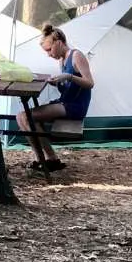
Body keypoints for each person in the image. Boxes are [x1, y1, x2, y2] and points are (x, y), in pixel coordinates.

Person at [16, 23, 94, 171]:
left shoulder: (76, 55)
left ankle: (51, 158)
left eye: (49, 50)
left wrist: (69, 76)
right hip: (65, 102)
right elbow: (68, 88)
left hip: (75, 106)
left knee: (26, 117)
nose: (49, 54)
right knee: (21, 117)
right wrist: (56, 82)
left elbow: (90, 83)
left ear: (58, 42)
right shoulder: (61, 60)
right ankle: (41, 158)